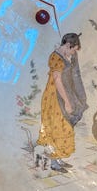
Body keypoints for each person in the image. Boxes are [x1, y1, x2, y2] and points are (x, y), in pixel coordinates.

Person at [37, 33, 88, 172]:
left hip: (62, 94)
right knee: (58, 127)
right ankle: (54, 162)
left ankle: (58, 158)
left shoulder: (64, 56)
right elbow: (57, 81)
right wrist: (67, 102)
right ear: (68, 45)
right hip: (55, 97)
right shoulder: (56, 58)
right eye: (73, 49)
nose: (73, 53)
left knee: (65, 126)